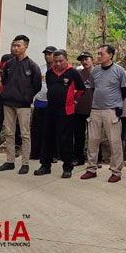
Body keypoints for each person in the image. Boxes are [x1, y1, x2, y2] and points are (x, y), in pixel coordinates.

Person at [81, 44, 126, 182]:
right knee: (92, 141)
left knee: (115, 142)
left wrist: (117, 104)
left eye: (101, 53)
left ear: (110, 55)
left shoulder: (119, 71)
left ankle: (116, 172)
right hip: (95, 110)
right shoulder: (95, 71)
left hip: (111, 111)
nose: (99, 56)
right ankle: (91, 169)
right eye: (98, 53)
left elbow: (124, 90)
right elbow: (94, 88)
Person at [35, 49, 84, 178]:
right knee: (47, 137)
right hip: (50, 109)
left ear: (66, 60)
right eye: (56, 61)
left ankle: (67, 167)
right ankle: (45, 165)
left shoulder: (73, 73)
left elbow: (81, 89)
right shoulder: (50, 73)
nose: (58, 63)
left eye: (61, 61)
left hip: (66, 111)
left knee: (65, 140)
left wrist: (74, 100)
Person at [0, 35, 41, 174]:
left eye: (18, 46)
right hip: (8, 102)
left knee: (25, 134)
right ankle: (10, 161)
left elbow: (37, 85)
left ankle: (25, 163)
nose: (15, 48)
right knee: (9, 133)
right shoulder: (9, 64)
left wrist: (27, 97)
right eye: (13, 45)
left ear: (25, 47)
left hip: (23, 104)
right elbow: (4, 81)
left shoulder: (32, 66)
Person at [0, 53, 21, 153]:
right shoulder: (5, 59)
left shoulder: (19, 66)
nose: (2, 73)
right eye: (1, 71)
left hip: (15, 94)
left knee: (15, 121)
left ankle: (17, 145)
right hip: (2, 93)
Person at [30, 46, 56, 160]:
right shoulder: (40, 69)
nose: (47, 56)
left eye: (50, 54)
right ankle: (35, 153)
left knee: (51, 130)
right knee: (36, 129)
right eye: (46, 54)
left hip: (52, 103)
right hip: (40, 101)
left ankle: (52, 154)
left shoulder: (58, 69)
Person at [73, 51, 98, 166]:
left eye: (86, 59)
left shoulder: (98, 72)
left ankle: (97, 159)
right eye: (82, 60)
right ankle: (78, 158)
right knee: (78, 136)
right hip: (79, 110)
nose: (84, 62)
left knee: (94, 136)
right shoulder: (78, 74)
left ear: (92, 59)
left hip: (94, 109)